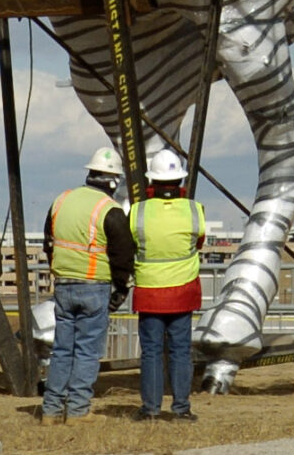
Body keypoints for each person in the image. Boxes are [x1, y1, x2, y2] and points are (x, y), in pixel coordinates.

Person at [39, 147, 134, 425]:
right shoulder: (110, 210)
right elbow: (123, 255)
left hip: (64, 285)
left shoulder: (61, 200)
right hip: (94, 286)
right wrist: (121, 289)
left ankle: (51, 409)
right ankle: (78, 409)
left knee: (63, 349)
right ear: (114, 182)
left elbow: (49, 242)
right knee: (87, 351)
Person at [129, 149, 205, 421]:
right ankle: (181, 409)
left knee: (150, 351)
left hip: (149, 291)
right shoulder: (195, 210)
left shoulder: (137, 212)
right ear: (180, 181)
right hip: (182, 291)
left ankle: (150, 409)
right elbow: (198, 242)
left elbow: (131, 245)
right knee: (181, 351)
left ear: (152, 182)